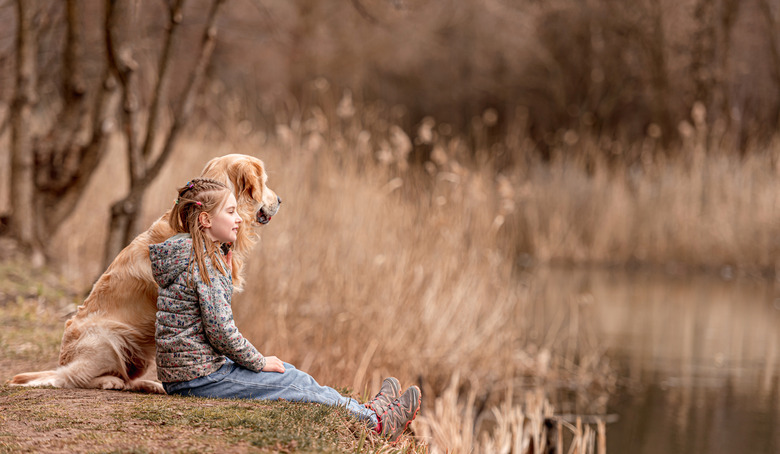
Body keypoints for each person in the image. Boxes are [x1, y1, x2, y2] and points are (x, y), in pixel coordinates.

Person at [149, 178, 421, 443]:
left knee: (287, 371)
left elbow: (202, 315)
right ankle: (377, 423)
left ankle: (365, 409)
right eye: (231, 212)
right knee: (292, 381)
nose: (239, 218)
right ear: (205, 220)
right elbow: (221, 331)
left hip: (184, 375)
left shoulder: (182, 255)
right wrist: (258, 361)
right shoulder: (206, 265)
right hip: (200, 379)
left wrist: (225, 279)